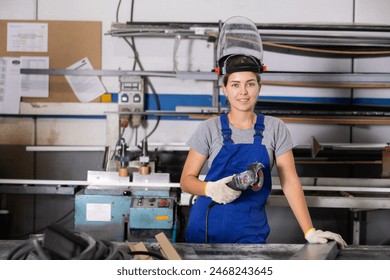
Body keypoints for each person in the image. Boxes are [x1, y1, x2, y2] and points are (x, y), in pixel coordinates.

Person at [179, 16, 347, 247]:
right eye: (235, 84)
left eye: (250, 83)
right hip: (205, 227)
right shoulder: (209, 128)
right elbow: (186, 181)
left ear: (259, 86)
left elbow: (290, 182)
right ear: (225, 89)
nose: (243, 91)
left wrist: (309, 230)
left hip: (250, 231)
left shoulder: (275, 128)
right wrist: (211, 188)